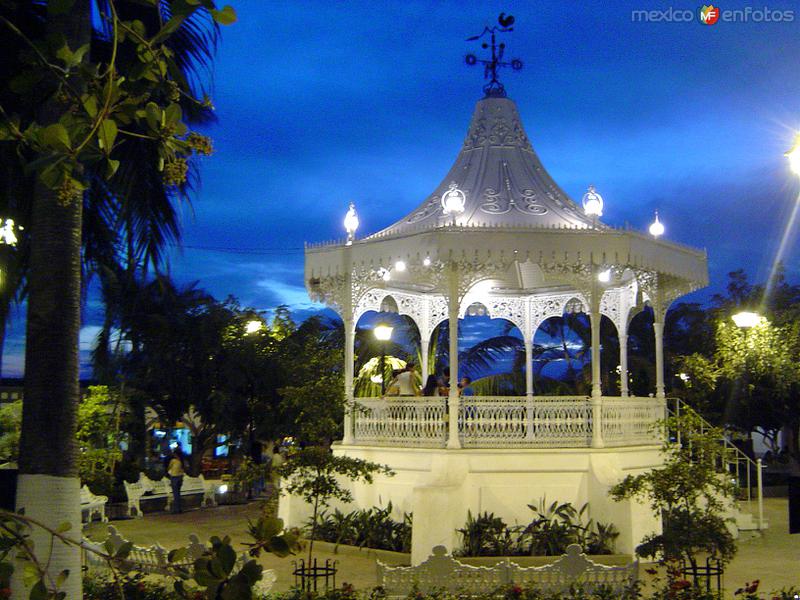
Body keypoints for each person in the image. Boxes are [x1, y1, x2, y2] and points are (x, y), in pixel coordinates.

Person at [167, 447, 185, 514]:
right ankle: (179, 508)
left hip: (174, 477)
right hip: (180, 477)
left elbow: (169, 467)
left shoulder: (173, 461)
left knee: (175, 494)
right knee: (178, 493)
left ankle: (176, 509)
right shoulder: (181, 461)